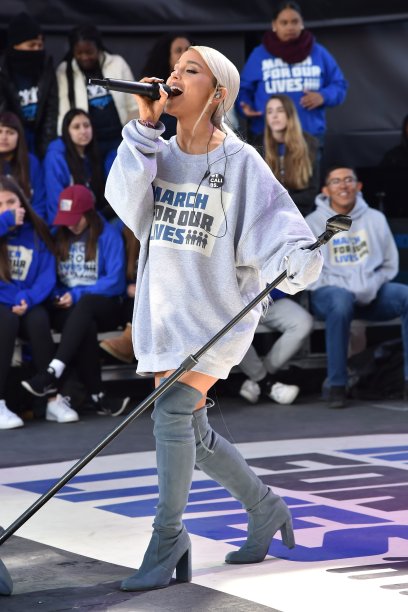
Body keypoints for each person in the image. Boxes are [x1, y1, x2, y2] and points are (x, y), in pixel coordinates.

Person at [104, 45, 323, 591]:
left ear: (217, 92)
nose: (174, 77)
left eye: (190, 71)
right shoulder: (154, 149)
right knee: (191, 432)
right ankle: (265, 508)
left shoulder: (241, 161)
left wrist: (296, 258)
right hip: (166, 311)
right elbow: (124, 202)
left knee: (172, 415)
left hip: (216, 315)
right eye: (174, 69)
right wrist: (143, 131)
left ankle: (168, 536)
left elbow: (284, 234)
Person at [21, 184, 129, 418]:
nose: (70, 224)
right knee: (84, 324)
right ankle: (98, 396)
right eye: (66, 218)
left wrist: (78, 294)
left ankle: (53, 372)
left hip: (103, 304)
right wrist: (58, 295)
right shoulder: (58, 234)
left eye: (75, 218)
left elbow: (116, 282)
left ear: (89, 213)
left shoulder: (107, 235)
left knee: (86, 304)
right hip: (69, 309)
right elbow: (49, 275)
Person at [305, 165, 408, 409]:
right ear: (326, 189)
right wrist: (349, 288)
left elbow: (389, 265)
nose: (343, 185)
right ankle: (337, 385)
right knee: (341, 301)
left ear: (359, 186)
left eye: (349, 180)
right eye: (336, 181)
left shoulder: (375, 218)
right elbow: (309, 272)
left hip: (372, 293)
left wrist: (368, 286)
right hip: (329, 294)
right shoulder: (312, 222)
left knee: (406, 296)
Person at [237, 1, 347, 144]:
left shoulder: (317, 52)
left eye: (295, 22)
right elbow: (243, 89)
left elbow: (339, 85)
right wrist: (244, 105)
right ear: (274, 25)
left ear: (302, 24)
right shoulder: (259, 54)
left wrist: (323, 96)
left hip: (308, 137)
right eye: (284, 23)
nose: (290, 27)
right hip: (268, 137)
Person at [0, 176, 57, 429]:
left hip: (26, 301)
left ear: (22, 203)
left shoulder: (35, 232)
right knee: (7, 321)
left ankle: (52, 397)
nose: (7, 209)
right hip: (4, 304)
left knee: (39, 319)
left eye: (11, 202)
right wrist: (4, 223)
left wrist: (27, 298)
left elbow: (47, 273)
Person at [56, 24, 139, 162]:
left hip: (119, 138)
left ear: (98, 48)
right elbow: (64, 113)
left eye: (89, 52)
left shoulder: (117, 63)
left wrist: (133, 137)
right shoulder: (64, 71)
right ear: (73, 52)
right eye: (79, 53)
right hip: (87, 143)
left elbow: (134, 104)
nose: (85, 57)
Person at [239, 288, 313, 405]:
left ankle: (258, 380)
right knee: (227, 328)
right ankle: (266, 383)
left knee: (303, 322)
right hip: (233, 306)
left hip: (269, 300)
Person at [0, 12, 58, 158]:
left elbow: (50, 113)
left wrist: (44, 152)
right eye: (31, 45)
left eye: (40, 45)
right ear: (15, 45)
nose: (37, 50)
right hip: (10, 137)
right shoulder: (3, 72)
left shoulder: (46, 68)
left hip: (38, 137)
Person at [44, 108, 111, 225]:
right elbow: (55, 201)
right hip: (67, 223)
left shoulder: (91, 154)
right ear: (66, 131)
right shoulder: (55, 157)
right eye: (76, 127)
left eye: (86, 125)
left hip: (91, 218)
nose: (83, 131)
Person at [258, 94, 319, 216]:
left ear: (290, 114)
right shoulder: (258, 145)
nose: (274, 116)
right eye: (270, 112)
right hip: (268, 214)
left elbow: (312, 191)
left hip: (301, 212)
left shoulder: (309, 143)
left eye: (280, 110)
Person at [99, 224, 139, 364]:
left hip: (160, 298)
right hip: (128, 299)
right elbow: (112, 277)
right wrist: (125, 289)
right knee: (135, 303)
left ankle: (130, 341)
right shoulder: (118, 230)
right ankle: (129, 341)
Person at [140, 33, 193, 139]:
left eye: (188, 49)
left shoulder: (201, 82)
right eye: (178, 50)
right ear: (167, 57)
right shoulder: (154, 86)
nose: (185, 54)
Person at [0, 111, 46, 219]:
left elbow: (40, 204)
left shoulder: (31, 162)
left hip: (28, 227)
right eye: (0, 131)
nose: (4, 137)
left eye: (10, 132)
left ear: (19, 136)